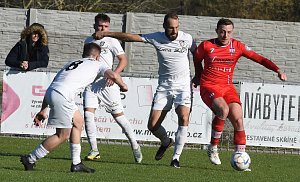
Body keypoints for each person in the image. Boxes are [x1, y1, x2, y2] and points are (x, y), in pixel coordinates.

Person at [94, 12, 196, 168]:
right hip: (164, 86)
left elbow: (198, 56)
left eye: (176, 27)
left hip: (183, 86)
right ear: (164, 27)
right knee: (152, 126)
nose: (174, 31)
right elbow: (130, 37)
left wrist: (199, 75)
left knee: (183, 117)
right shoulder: (156, 37)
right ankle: (166, 141)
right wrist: (107, 34)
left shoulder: (187, 39)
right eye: (170, 28)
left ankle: (176, 158)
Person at [192, 18, 287, 167]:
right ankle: (213, 147)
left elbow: (259, 58)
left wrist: (277, 70)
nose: (225, 35)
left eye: (229, 32)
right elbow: (197, 60)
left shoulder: (237, 46)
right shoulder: (206, 46)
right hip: (209, 85)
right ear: (216, 31)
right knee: (223, 110)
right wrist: (198, 76)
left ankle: (240, 155)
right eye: (222, 31)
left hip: (227, 87)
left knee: (238, 119)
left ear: (232, 32)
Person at [20, 43, 128, 173]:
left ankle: (77, 164)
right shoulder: (98, 63)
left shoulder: (72, 62)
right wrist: (123, 86)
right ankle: (31, 158)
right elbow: (114, 75)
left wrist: (44, 109)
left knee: (78, 122)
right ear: (98, 56)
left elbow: (54, 84)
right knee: (62, 135)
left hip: (53, 92)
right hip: (64, 95)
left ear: (84, 54)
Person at [83, 13, 142, 163]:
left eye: (105, 26)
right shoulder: (88, 40)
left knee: (119, 118)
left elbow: (124, 60)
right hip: (92, 84)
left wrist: (114, 75)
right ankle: (94, 149)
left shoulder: (112, 41)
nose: (102, 29)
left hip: (108, 84)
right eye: (100, 26)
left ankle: (135, 146)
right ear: (94, 25)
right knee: (88, 116)